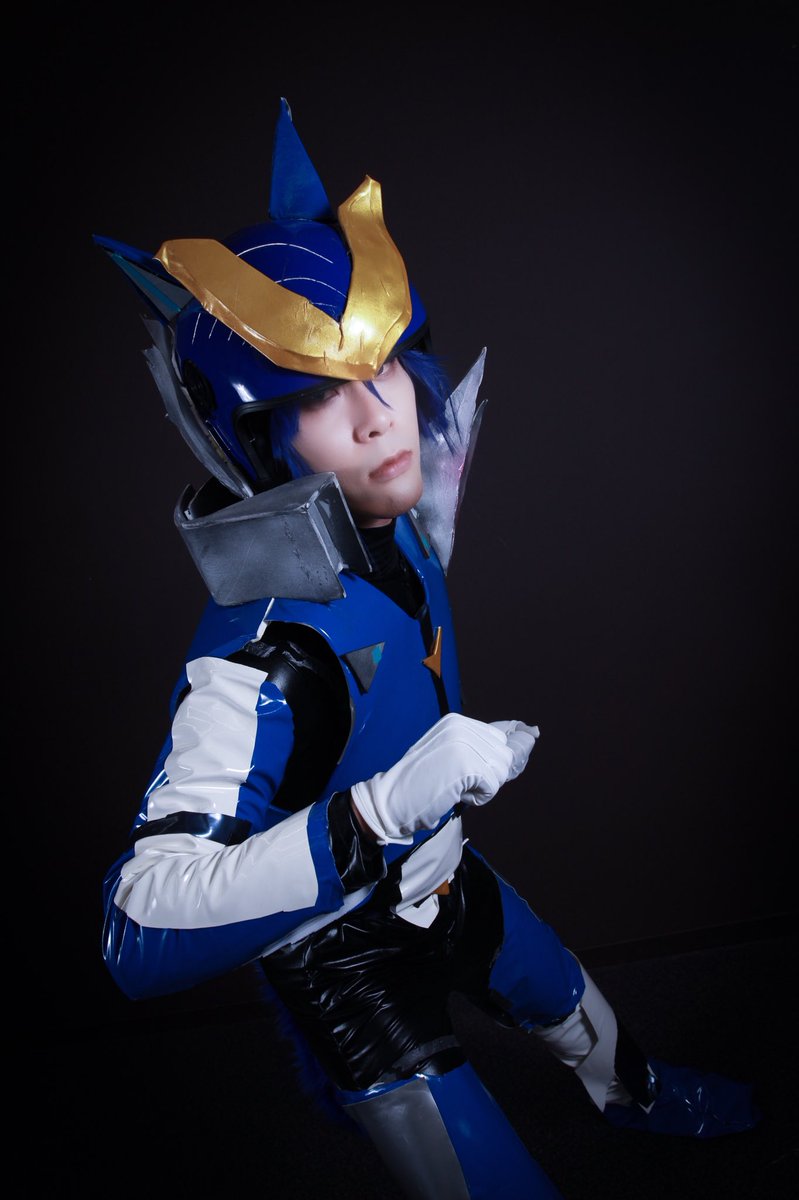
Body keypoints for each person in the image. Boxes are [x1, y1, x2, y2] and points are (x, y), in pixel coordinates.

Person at [96, 98, 759, 1199]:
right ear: (253, 438)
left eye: (388, 366)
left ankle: (636, 1098)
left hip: (447, 872)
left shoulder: (400, 525)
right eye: (320, 394)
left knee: (576, 1010)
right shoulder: (258, 663)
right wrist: (378, 812)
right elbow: (140, 923)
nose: (379, 416)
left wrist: (420, 817)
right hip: (340, 954)